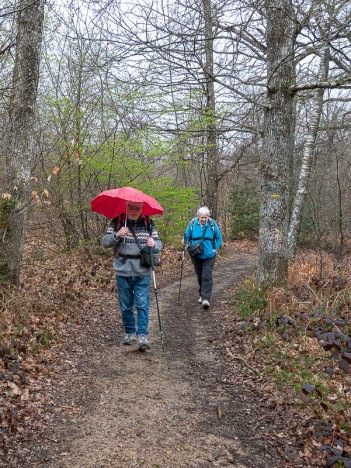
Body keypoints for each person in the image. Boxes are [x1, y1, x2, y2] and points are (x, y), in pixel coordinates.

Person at [102, 201, 162, 350]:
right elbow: (105, 242)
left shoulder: (148, 222)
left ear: (142, 208)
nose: (133, 210)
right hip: (122, 269)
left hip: (142, 270)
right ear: (126, 207)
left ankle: (142, 335)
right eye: (131, 207)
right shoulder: (117, 221)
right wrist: (117, 235)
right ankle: (129, 333)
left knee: (142, 303)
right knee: (126, 305)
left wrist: (152, 243)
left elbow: (159, 244)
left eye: (137, 208)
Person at [182, 206, 222, 309]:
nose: (204, 219)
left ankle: (206, 299)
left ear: (208, 217)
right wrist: (184, 241)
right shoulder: (192, 224)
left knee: (206, 275)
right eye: (202, 217)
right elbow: (187, 236)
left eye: (206, 217)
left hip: (209, 255)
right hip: (196, 254)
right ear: (198, 216)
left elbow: (218, 238)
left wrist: (215, 249)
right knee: (200, 275)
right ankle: (201, 294)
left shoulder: (212, 224)